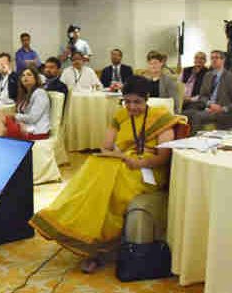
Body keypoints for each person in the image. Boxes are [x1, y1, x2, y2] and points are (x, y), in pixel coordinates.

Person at [29, 76, 181, 273]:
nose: (132, 107)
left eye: (137, 102)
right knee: (95, 167)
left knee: (108, 183)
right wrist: (118, 155)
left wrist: (138, 162)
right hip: (123, 162)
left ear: (148, 99)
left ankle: (96, 249)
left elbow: (163, 158)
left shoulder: (161, 117)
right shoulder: (120, 116)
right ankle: (77, 230)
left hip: (148, 170)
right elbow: (105, 146)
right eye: (128, 101)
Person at [182, 50, 232, 131]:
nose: (214, 60)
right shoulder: (208, 75)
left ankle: (194, 140)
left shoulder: (230, 77)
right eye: (212, 58)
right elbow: (202, 96)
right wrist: (209, 104)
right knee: (185, 114)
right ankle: (184, 140)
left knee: (197, 117)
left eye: (216, 58)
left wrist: (224, 108)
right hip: (207, 108)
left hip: (222, 112)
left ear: (223, 60)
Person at [0, 66, 51, 140]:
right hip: (26, 127)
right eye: (23, 75)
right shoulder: (25, 95)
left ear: (36, 79)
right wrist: (17, 120)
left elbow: (32, 118)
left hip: (37, 131)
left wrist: (14, 116)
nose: (25, 77)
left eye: (29, 75)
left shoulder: (40, 93)